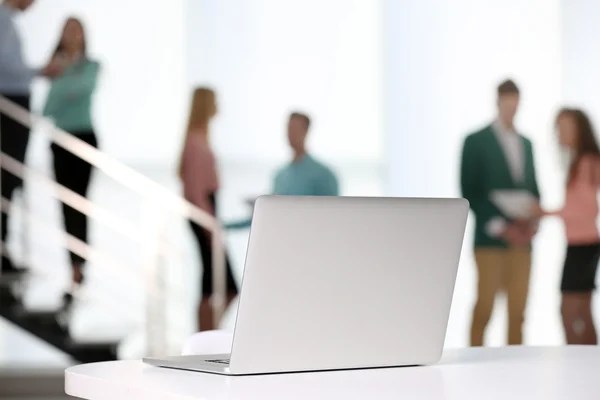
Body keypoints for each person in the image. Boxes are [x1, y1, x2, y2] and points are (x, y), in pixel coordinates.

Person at [460, 79, 541, 346]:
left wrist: (531, 223)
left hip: (522, 241)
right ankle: (474, 361)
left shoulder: (527, 144)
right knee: (485, 308)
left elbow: (534, 190)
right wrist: (501, 227)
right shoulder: (475, 141)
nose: (511, 109)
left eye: (515, 104)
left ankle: (515, 370)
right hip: (490, 241)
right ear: (498, 102)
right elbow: (469, 191)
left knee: (518, 313)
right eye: (507, 103)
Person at [0, 0, 62, 277]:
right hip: (9, 106)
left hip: (13, 106)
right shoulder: (2, 20)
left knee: (10, 182)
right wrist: (39, 72)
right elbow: (6, 66)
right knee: (6, 180)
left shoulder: (8, 21)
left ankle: (4, 251)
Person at [42, 17, 100, 305]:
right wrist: (66, 80)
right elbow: (48, 107)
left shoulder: (92, 66)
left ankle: (81, 266)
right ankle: (73, 268)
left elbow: (82, 89)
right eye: (67, 31)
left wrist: (61, 76)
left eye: (76, 30)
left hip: (85, 139)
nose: (72, 35)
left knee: (81, 203)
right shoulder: (57, 67)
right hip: (60, 142)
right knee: (66, 206)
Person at [532, 108, 600, 345]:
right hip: (581, 244)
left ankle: (582, 365)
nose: (560, 133)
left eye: (566, 127)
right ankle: (590, 367)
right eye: (558, 127)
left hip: (584, 245)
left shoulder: (587, 162)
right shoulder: (577, 162)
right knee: (579, 312)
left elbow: (589, 209)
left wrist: (545, 212)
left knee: (570, 312)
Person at [178, 87, 238, 331]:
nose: (219, 105)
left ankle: (206, 334)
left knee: (215, 282)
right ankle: (204, 336)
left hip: (207, 212)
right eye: (215, 101)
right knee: (220, 283)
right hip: (203, 213)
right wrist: (209, 225)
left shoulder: (200, 138)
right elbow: (193, 190)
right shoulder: (195, 142)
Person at [226, 112, 339, 230]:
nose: (290, 134)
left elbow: (332, 217)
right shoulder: (280, 175)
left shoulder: (324, 175)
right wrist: (223, 226)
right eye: (289, 128)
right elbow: (267, 215)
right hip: (280, 239)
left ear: (306, 131)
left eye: (295, 128)